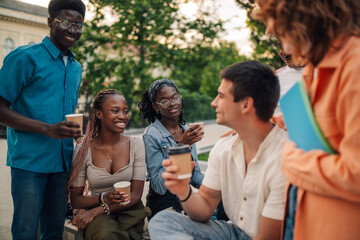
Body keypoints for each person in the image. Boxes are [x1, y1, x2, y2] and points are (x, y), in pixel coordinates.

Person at [256, 0, 360, 239]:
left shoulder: (354, 66)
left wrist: (291, 160)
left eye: (275, 18)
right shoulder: (316, 65)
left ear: (304, 13)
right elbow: (324, 132)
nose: (269, 30)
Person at [148, 61, 288, 239]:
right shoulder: (223, 148)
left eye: (221, 96)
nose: (214, 103)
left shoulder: (285, 157)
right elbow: (204, 208)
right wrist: (183, 191)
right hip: (233, 231)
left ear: (246, 104)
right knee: (163, 221)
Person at [0, 0, 85, 239]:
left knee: (54, 230)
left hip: (62, 165)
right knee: (26, 230)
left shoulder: (76, 67)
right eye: (66, 22)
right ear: (50, 22)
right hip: (29, 163)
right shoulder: (24, 58)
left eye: (79, 25)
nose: (73, 30)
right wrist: (47, 129)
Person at [68, 89, 150, 240]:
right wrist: (104, 197)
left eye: (125, 111)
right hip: (98, 212)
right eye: (115, 110)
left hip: (129, 210)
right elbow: (76, 200)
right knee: (108, 234)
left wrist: (95, 211)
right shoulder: (84, 149)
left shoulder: (136, 144)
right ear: (99, 114)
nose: (123, 116)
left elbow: (136, 195)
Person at [138, 79, 205, 219]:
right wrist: (181, 147)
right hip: (163, 205)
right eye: (164, 101)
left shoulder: (187, 131)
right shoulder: (152, 135)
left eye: (175, 97)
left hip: (186, 199)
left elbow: (195, 175)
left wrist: (218, 187)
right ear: (155, 107)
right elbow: (158, 186)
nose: (172, 103)